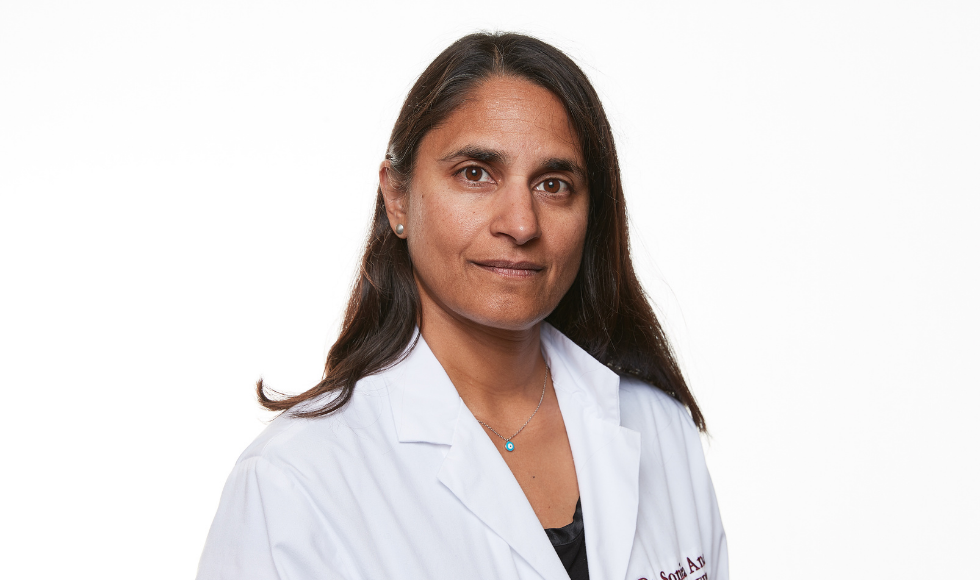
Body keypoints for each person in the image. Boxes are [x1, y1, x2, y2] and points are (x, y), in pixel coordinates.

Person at [197, 32, 728, 580]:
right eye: (475, 174)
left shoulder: (659, 428)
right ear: (397, 196)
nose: (520, 224)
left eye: (554, 184)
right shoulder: (295, 479)